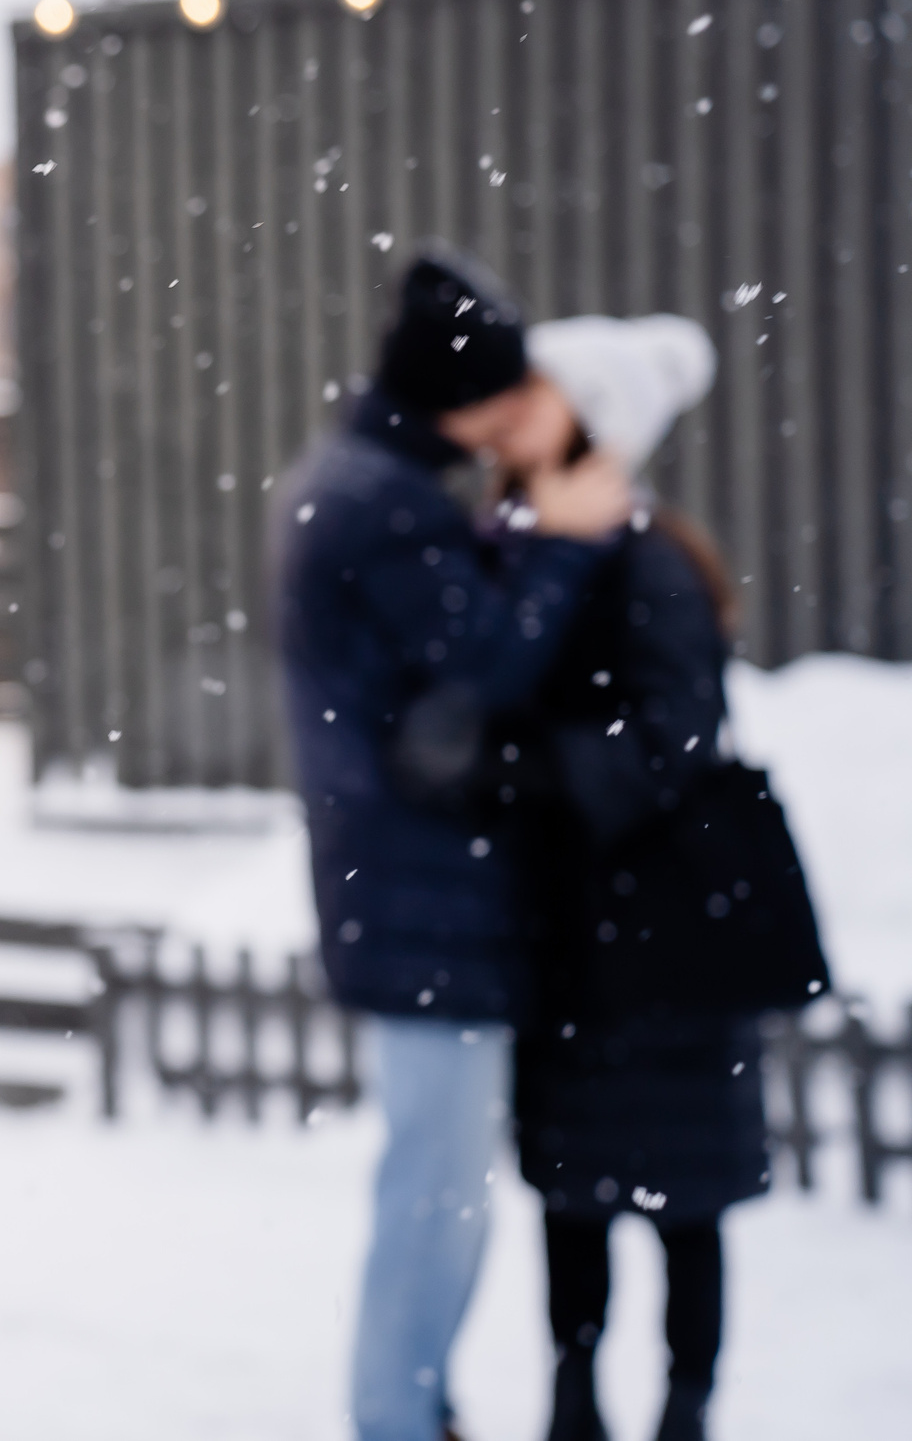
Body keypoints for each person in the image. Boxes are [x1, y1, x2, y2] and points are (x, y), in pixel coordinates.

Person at [276, 244, 632, 1441]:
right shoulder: (384, 501)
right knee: (435, 1197)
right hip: (420, 889)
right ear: (466, 399)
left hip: (408, 887)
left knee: (438, 1191)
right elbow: (484, 661)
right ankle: (398, 1418)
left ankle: (410, 1408)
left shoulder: (368, 480)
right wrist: (568, 540)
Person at [489, 315, 762, 1441]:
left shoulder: (644, 559)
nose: (511, 415)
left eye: (538, 394)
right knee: (575, 1196)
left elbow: (677, 735)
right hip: (580, 933)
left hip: (662, 939)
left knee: (676, 1203)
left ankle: (680, 1410)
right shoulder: (534, 544)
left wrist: (530, 768)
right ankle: (573, 1401)